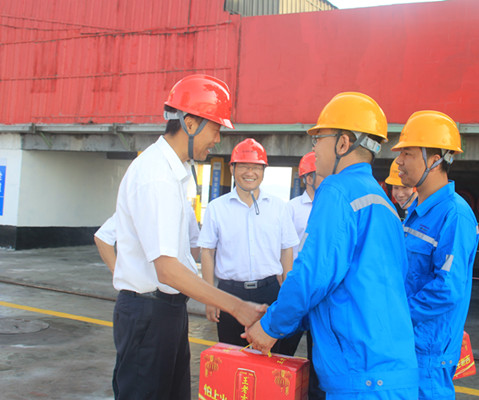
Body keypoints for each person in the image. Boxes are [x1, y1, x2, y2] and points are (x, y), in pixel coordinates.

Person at [244, 92, 418, 399]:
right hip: (392, 370)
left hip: (359, 373)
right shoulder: (386, 205)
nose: (314, 147)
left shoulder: (337, 190)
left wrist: (270, 327)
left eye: (318, 139)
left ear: (342, 143)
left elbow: (312, 275)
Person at [110, 74, 266, 400]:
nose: (217, 140)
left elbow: (183, 254)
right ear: (190, 123)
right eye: (216, 129)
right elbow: (167, 270)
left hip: (167, 311)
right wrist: (236, 306)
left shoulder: (175, 174)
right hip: (149, 314)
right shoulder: (156, 176)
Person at [391, 110, 479, 400]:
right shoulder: (417, 212)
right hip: (408, 342)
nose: (399, 161)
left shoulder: (455, 215)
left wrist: (396, 315)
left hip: (428, 352)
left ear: (435, 160)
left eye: (407, 153)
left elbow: (447, 289)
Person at [199, 138, 301, 355]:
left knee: (269, 356)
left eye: (256, 167)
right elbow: (207, 252)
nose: (250, 172)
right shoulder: (217, 208)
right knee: (232, 356)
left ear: (263, 171)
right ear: (232, 168)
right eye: (244, 166)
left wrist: (287, 293)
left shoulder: (279, 208)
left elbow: (287, 250)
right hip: (229, 294)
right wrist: (210, 297)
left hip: (269, 293)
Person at [286, 151, 325, 400]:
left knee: (318, 354)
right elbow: (284, 250)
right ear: (307, 178)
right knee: (284, 348)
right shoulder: (291, 209)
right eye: (320, 175)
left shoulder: (331, 207)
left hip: (320, 293)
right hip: (297, 289)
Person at [94, 204, 201, 274]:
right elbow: (103, 237)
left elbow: (194, 243)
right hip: (142, 294)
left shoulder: (185, 206)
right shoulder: (140, 203)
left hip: (177, 292)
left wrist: (184, 275)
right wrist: (118, 274)